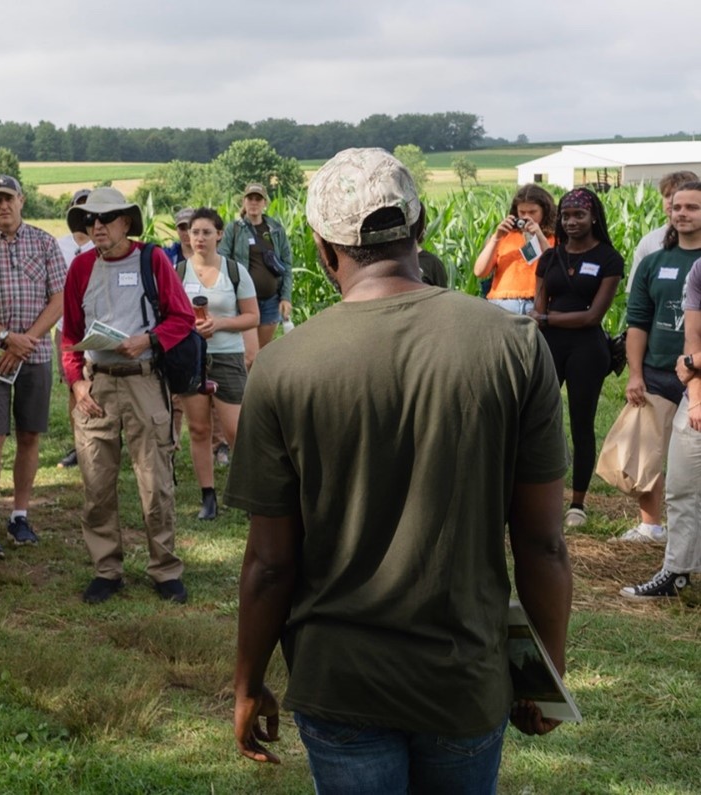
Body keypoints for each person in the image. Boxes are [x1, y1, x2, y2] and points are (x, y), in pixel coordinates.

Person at [228, 148, 572, 789]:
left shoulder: (281, 368)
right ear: (419, 230)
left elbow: (271, 562)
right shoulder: (514, 346)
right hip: (463, 677)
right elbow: (544, 541)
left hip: (340, 678)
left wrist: (247, 684)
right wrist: (546, 669)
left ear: (324, 248)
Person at [62, 187, 194, 605]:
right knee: (97, 481)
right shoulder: (80, 268)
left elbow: (183, 318)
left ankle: (165, 569)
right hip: (96, 382)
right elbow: (69, 335)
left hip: (143, 378)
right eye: (89, 221)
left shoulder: (153, 259)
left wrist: (149, 340)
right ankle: (107, 570)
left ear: (125, 223)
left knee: (156, 481)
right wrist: (76, 382)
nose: (96, 226)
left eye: (105, 219)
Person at [0, 175, 67, 559]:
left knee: (29, 436)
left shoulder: (44, 242)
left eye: (9, 199)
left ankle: (20, 515)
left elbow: (59, 297)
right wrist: (7, 336)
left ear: (22, 200)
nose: (4, 206)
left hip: (34, 354)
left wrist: (27, 340)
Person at [530, 188, 623, 528]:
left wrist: (546, 319)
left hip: (588, 350)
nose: (571, 222)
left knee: (582, 424)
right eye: (565, 216)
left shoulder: (609, 259)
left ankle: (578, 504)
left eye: (578, 215)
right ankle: (536, 493)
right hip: (550, 347)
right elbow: (539, 303)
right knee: (538, 418)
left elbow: (592, 317)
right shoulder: (550, 258)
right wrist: (542, 319)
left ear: (593, 217)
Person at [620, 181, 701, 543]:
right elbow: (637, 320)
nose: (682, 213)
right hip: (656, 371)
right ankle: (651, 525)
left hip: (696, 374)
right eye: (677, 207)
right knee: (647, 453)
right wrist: (636, 373)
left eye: (692, 207)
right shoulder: (654, 263)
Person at [622, 256, 701, 599]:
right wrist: (696, 396)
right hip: (698, 390)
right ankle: (677, 572)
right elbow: (692, 339)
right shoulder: (699, 270)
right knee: (682, 485)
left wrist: (693, 363)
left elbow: (691, 360)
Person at [177, 207, 258, 520]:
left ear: (219, 235)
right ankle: (207, 498)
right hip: (191, 359)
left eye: (206, 232)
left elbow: (252, 316)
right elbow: (169, 316)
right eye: (194, 232)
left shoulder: (235, 271)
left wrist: (221, 323)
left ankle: (249, 496)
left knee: (237, 431)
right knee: (198, 429)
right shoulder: (179, 271)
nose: (199, 238)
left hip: (227, 357)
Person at [220, 183, 293, 349]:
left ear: (265, 203)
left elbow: (287, 264)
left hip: (271, 301)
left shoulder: (276, 229)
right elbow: (222, 260)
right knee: (249, 355)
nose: (254, 203)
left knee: (263, 352)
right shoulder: (234, 229)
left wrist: (285, 297)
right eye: (250, 199)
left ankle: (258, 376)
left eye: (258, 199)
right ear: (244, 202)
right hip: (244, 301)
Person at [54, 188, 94, 470]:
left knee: (99, 385)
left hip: (96, 326)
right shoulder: (58, 245)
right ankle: (79, 444)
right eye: (79, 207)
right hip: (65, 326)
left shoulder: (104, 243)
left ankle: (101, 442)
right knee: (73, 385)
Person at [473, 184, 556, 314]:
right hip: (501, 303)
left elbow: (556, 269)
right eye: (522, 212)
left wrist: (539, 235)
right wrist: (496, 237)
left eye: (533, 212)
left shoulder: (553, 238)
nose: (526, 217)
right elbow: (480, 271)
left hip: (536, 304)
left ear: (545, 211)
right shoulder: (505, 237)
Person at [627, 171, 698, 292]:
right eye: (666, 195)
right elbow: (636, 292)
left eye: (676, 194)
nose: (671, 200)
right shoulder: (648, 241)